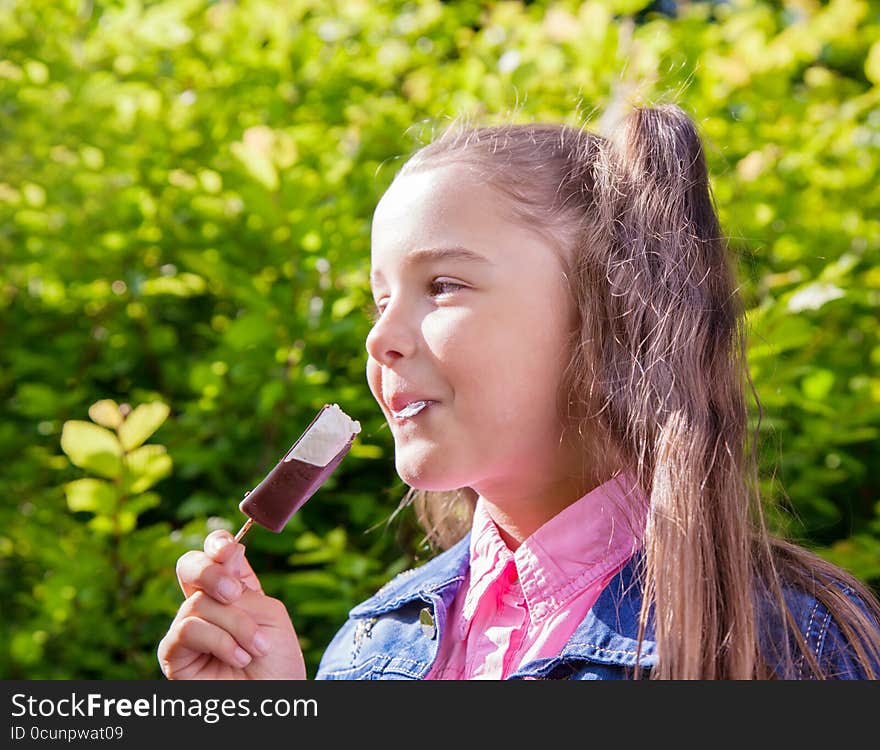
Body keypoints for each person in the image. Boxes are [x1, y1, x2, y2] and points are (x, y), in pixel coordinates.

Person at [157, 103, 880, 680]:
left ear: (608, 315)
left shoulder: (784, 640)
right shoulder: (368, 647)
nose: (380, 339)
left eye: (443, 286)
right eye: (380, 301)